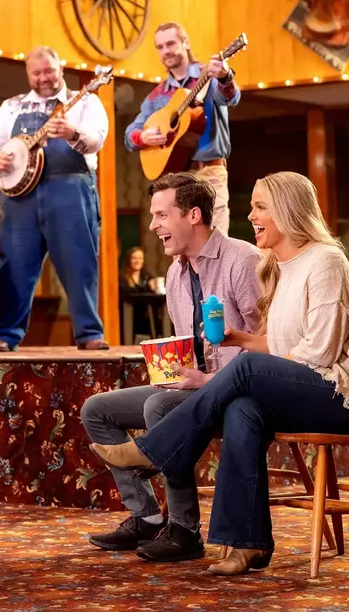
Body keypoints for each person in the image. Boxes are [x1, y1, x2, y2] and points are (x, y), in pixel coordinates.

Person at [90, 171, 349, 576]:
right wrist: (243, 339)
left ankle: (155, 450)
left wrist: (252, 363)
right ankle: (248, 544)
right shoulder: (278, 267)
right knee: (243, 410)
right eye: (251, 206)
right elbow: (282, 343)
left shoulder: (326, 261)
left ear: (288, 211)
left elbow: (319, 351)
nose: (250, 215)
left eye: (260, 206)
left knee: (246, 370)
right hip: (306, 388)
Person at [82, 172, 260, 562]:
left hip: (238, 392)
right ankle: (146, 517)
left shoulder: (242, 259)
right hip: (195, 385)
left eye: (161, 215)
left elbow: (268, 343)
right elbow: (191, 345)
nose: (152, 225)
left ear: (193, 215)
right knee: (97, 409)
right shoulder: (175, 273)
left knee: (159, 407)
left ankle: (184, 530)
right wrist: (171, 369)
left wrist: (209, 379)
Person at [0, 45, 110, 351]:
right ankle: (6, 335)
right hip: (20, 196)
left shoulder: (85, 100)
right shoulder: (12, 106)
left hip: (70, 186)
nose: (43, 78)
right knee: (13, 264)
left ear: (60, 68)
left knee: (80, 262)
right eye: (36, 73)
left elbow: (97, 139)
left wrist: (71, 133)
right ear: (28, 75)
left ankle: (89, 333)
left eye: (49, 70)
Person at [124, 22, 241, 235]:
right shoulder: (158, 95)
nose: (165, 51)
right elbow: (130, 135)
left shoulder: (210, 75)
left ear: (185, 43)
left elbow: (231, 98)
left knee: (214, 241)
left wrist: (225, 77)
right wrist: (144, 137)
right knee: (180, 246)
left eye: (170, 44)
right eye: (160, 47)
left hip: (210, 172)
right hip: (176, 180)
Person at [119, 247, 157, 339]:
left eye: (140, 258)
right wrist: (146, 287)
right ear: (129, 260)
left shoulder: (146, 276)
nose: (137, 261)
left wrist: (153, 287)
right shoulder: (122, 277)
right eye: (134, 258)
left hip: (145, 313)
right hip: (128, 314)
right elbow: (128, 291)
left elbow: (152, 293)